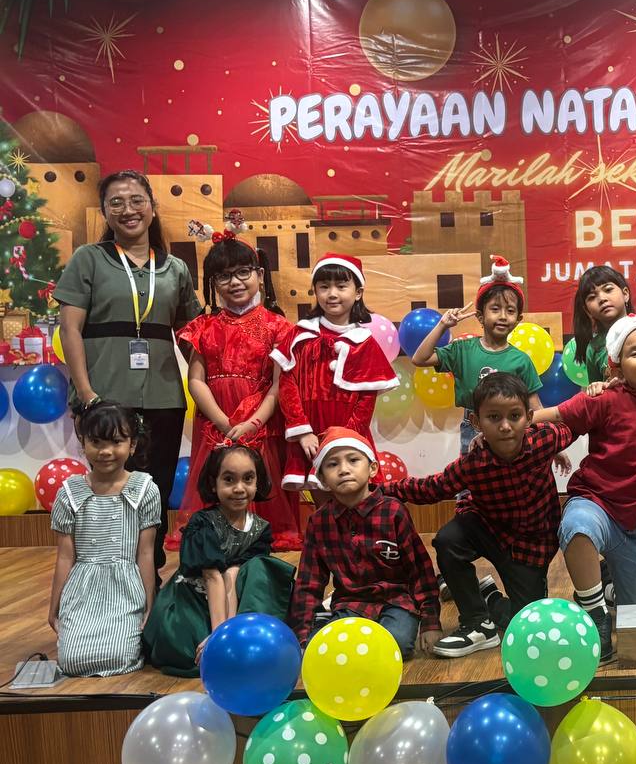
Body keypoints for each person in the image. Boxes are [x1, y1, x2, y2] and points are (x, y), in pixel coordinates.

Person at [53, 170, 202, 571]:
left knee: (155, 492)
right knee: (110, 496)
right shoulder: (88, 259)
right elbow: (70, 330)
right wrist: (87, 395)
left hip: (164, 399)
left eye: (136, 200)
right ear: (105, 212)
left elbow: (193, 337)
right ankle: (110, 582)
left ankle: (149, 580)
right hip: (104, 398)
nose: (128, 209)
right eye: (115, 202)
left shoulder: (175, 268)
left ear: (152, 207)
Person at [533, 313, 636, 658]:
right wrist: (496, 431)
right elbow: (545, 417)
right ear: (618, 368)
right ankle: (595, 611)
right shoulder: (605, 399)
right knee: (578, 527)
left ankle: (608, 592)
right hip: (598, 504)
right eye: (634, 352)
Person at [384, 372, 575, 657]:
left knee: (527, 624)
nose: (505, 426)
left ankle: (490, 597)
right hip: (486, 527)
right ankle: (477, 623)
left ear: (529, 417)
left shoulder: (545, 440)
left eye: (514, 416)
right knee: (448, 540)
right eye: (493, 418)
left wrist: (601, 390)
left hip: (530, 547)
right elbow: (432, 488)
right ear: (476, 423)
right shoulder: (474, 462)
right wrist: (382, 488)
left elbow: (578, 421)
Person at [166, 230, 300, 551]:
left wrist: (253, 422)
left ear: (260, 275)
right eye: (224, 276)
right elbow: (196, 380)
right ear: (213, 283)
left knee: (258, 475)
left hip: (260, 419)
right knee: (219, 475)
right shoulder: (204, 327)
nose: (235, 282)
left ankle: (259, 537)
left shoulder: (278, 327)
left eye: (243, 272)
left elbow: (279, 385)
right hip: (216, 418)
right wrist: (224, 422)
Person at [288, 427, 441, 659]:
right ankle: (325, 623)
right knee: (333, 651)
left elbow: (420, 571)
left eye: (353, 460)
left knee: (396, 644)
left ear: (372, 468)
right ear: (322, 479)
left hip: (396, 601)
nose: (344, 469)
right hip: (349, 603)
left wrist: (430, 622)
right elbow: (309, 582)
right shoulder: (319, 521)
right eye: (332, 464)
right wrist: (301, 637)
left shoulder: (393, 511)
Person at [143, 445, 295, 676]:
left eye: (248, 479)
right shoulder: (202, 523)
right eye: (229, 479)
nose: (239, 488)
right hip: (192, 597)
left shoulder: (260, 528)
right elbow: (212, 577)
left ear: (258, 482)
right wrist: (218, 637)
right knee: (185, 651)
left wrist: (228, 632)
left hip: (228, 595)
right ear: (213, 484)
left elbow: (232, 574)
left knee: (263, 569)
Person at [47, 401, 161, 676]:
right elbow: (65, 556)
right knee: (72, 660)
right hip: (82, 588)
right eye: (96, 442)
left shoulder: (145, 489)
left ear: (132, 445)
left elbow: (145, 553)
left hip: (125, 587)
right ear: (83, 443)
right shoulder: (69, 492)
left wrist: (150, 603)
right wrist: (54, 606)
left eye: (116, 442)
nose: (105, 451)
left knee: (120, 654)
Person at [270, 254, 398, 491]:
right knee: (321, 498)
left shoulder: (364, 343)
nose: (332, 294)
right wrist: (302, 431)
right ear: (315, 291)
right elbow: (288, 385)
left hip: (349, 431)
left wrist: (346, 437)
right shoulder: (300, 335)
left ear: (358, 292)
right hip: (310, 433)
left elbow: (366, 398)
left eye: (341, 286)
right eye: (324, 287)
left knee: (354, 495)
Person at [412, 256, 544, 456]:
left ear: (518, 320)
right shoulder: (462, 350)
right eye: (495, 309)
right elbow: (420, 359)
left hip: (510, 428)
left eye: (510, 311)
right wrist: (443, 325)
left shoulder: (521, 360)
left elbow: (536, 407)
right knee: (473, 475)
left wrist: (552, 444)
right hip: (472, 425)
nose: (502, 316)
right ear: (481, 316)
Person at [571, 265, 635, 384]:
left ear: (625, 294)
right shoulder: (593, 349)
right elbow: (598, 393)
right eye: (592, 297)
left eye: (608, 290)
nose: (602, 299)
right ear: (587, 310)